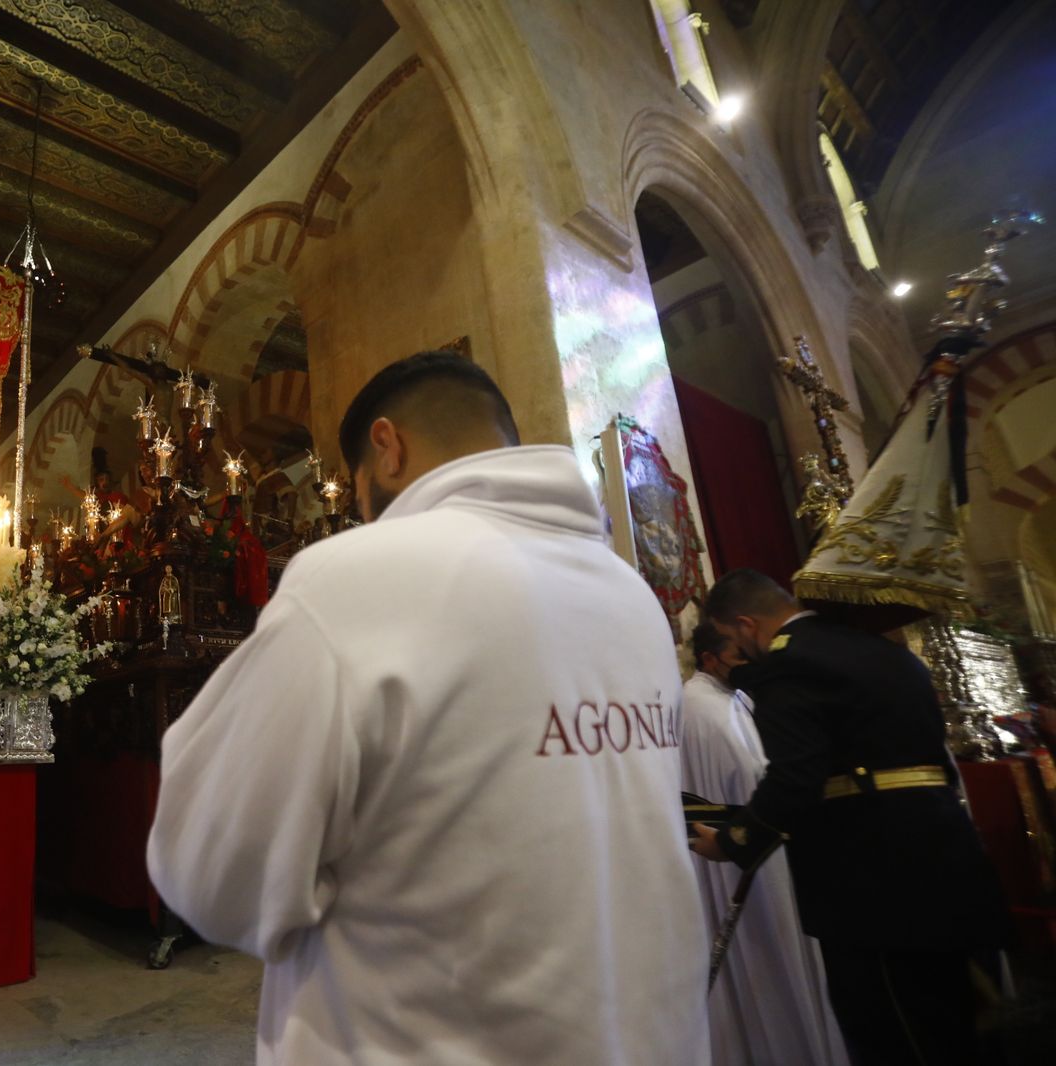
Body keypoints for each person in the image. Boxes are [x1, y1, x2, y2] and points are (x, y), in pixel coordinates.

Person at [147, 351, 708, 1065]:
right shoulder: (631, 597)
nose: (355, 512)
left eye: (351, 489)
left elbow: (212, 869)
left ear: (388, 447)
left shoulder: (358, 578)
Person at [692, 569, 1008, 1065]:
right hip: (948, 854)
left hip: (873, 881)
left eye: (733, 639)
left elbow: (796, 779)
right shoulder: (884, 652)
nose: (740, 654)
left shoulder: (788, 665)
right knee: (960, 1024)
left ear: (746, 625)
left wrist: (732, 843)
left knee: (896, 1032)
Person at [681, 620, 847, 1066]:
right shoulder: (700, 707)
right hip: (736, 850)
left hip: (758, 840)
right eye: (738, 654)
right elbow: (748, 779)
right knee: (769, 971)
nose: (749, 662)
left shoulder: (734, 697)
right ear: (709, 659)